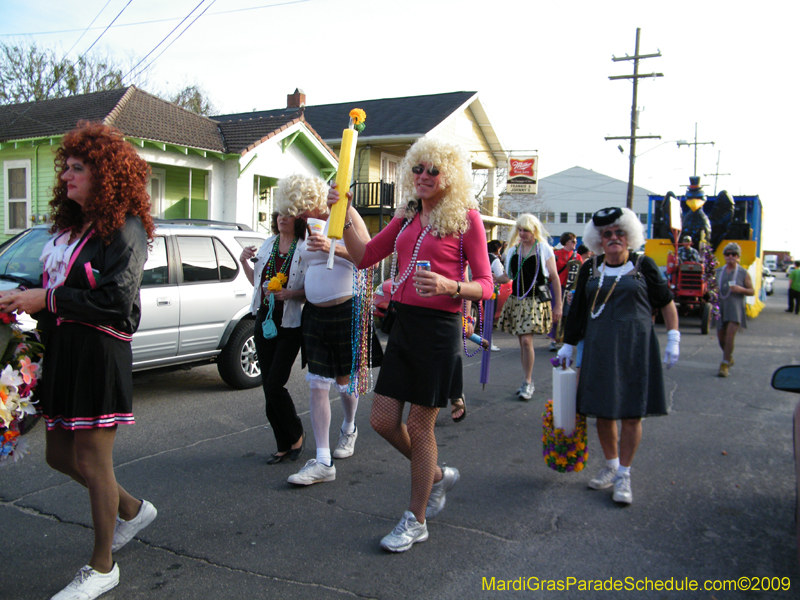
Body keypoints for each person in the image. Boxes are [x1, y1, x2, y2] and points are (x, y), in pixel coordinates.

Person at [0, 122, 157, 600]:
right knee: (58, 455)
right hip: (62, 352)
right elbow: (51, 295)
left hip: (98, 354)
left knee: (92, 458)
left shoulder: (126, 228)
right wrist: (19, 306)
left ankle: (102, 565)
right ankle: (131, 509)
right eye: (65, 168)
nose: (67, 177)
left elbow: (115, 302)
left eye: (78, 168)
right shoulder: (72, 229)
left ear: (105, 174)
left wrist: (44, 299)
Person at [328, 137, 493, 552]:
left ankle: (416, 519)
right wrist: (343, 210)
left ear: (449, 176)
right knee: (382, 421)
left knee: (421, 426)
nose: (422, 176)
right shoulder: (406, 217)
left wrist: (450, 284)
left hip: (439, 330)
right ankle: (435, 475)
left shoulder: (467, 219)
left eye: (432, 171)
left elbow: (488, 285)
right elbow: (364, 256)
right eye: (417, 169)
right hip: (403, 326)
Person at [559, 207, 680, 505]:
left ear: (629, 236)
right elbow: (577, 312)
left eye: (619, 233)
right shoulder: (590, 267)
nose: (614, 238)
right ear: (599, 239)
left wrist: (673, 338)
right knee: (602, 410)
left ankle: (625, 473)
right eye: (607, 234)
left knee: (630, 411)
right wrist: (568, 344)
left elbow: (666, 303)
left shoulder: (643, 265)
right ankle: (611, 466)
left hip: (636, 347)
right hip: (599, 347)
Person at [286, 174, 371, 486]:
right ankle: (323, 460)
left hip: (346, 308)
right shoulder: (304, 222)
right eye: (298, 210)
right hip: (315, 314)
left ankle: (349, 427)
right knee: (317, 384)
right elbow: (306, 264)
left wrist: (331, 248)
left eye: (305, 207)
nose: (303, 215)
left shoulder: (345, 212)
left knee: (344, 381)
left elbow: (368, 258)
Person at [239, 179, 308, 465]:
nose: (281, 219)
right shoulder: (268, 244)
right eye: (279, 215)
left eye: (287, 215)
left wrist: (290, 293)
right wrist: (244, 261)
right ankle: (283, 444)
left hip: (289, 326)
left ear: (297, 219)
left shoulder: (305, 249)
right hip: (263, 321)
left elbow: (312, 291)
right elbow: (256, 283)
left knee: (275, 384)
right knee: (268, 386)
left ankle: (296, 435)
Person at [495, 214, 562, 400]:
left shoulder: (543, 249)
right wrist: (490, 278)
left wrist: (559, 306)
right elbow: (508, 277)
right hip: (516, 301)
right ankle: (526, 379)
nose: (523, 233)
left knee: (526, 341)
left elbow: (554, 277)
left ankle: (528, 381)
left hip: (535, 302)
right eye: (520, 230)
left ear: (534, 231)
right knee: (523, 343)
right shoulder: (513, 250)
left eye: (526, 230)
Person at [715, 242, 754, 377]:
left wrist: (740, 289)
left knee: (730, 335)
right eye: (728, 254)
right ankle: (729, 356)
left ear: (738, 257)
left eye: (734, 254)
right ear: (724, 256)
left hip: (735, 309)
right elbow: (712, 289)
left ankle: (724, 364)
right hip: (721, 308)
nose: (731, 256)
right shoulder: (718, 271)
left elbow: (752, 291)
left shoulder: (743, 273)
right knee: (721, 337)